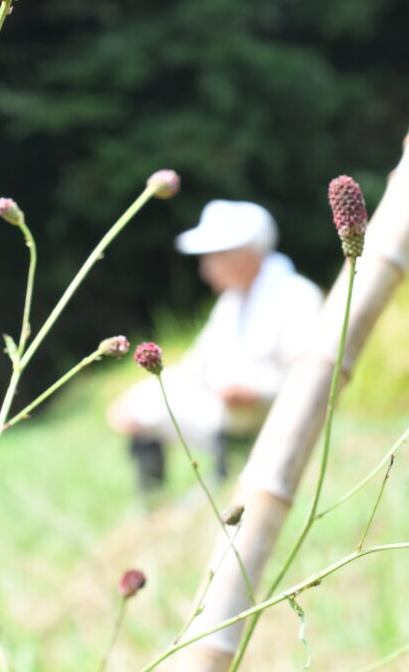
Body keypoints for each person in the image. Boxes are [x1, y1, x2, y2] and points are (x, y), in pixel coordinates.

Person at [107, 200, 323, 490]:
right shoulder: (231, 303)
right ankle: (154, 501)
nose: (206, 270)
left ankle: (231, 470)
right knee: (138, 408)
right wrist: (136, 397)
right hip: (223, 412)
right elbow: (196, 366)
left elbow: (308, 378)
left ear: (246, 255)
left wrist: (256, 392)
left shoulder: (298, 296)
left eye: (215, 257)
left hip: (270, 422)